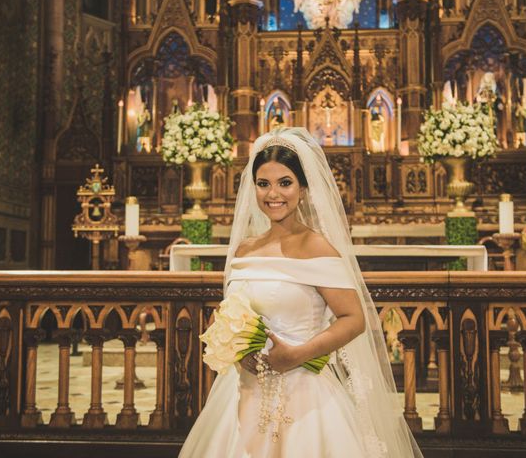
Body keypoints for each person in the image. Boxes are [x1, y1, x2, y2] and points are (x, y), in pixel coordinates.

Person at [178, 127, 423, 458]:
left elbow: (353, 319)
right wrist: (236, 349)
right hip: (241, 390)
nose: (273, 194)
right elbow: (234, 314)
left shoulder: (317, 247)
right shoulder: (246, 250)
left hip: (304, 391)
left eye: (285, 183)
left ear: (304, 188)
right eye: (263, 183)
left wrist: (297, 354)